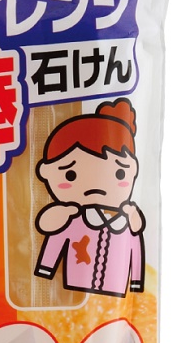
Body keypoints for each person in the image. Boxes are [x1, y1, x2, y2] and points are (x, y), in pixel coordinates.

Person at [34, 98, 145, 297]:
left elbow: (135, 250)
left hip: (115, 292)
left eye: (119, 173)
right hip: (74, 287)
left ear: (133, 170)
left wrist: (136, 282)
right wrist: (45, 268)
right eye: (70, 175)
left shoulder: (127, 225)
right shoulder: (73, 219)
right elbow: (55, 240)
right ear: (46, 172)